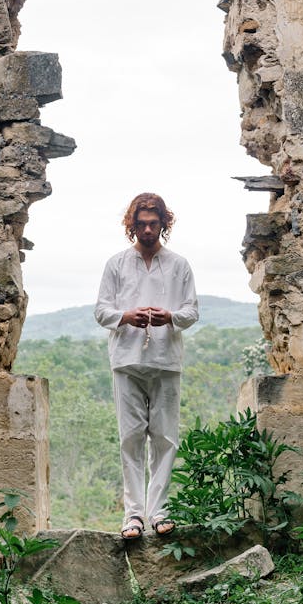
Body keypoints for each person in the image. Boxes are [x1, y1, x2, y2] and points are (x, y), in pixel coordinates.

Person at [95, 192, 198, 540]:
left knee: (166, 438)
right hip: (126, 359)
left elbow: (191, 312)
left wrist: (170, 316)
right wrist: (126, 316)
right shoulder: (116, 264)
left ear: (163, 223)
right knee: (131, 438)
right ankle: (133, 515)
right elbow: (101, 311)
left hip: (166, 360)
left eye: (153, 223)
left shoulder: (179, 265)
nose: (148, 229)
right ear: (132, 225)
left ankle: (160, 511)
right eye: (141, 223)